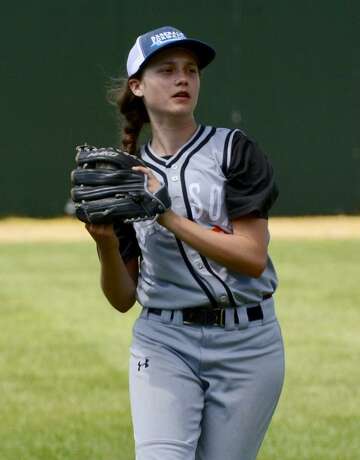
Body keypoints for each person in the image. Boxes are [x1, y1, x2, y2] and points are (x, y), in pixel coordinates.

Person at [86, 26, 285, 460]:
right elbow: (123, 299)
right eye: (168, 70)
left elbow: (251, 258)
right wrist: (103, 242)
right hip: (164, 341)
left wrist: (165, 215)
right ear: (137, 86)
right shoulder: (126, 176)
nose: (183, 79)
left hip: (248, 345)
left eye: (191, 70)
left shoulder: (234, 150)